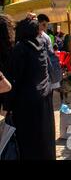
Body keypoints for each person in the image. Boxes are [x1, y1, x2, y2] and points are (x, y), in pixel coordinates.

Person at [9, 18, 56, 160]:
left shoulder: (20, 48)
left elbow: (13, 78)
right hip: (44, 99)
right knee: (44, 139)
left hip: (26, 104)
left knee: (28, 142)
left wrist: (7, 105)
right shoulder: (41, 45)